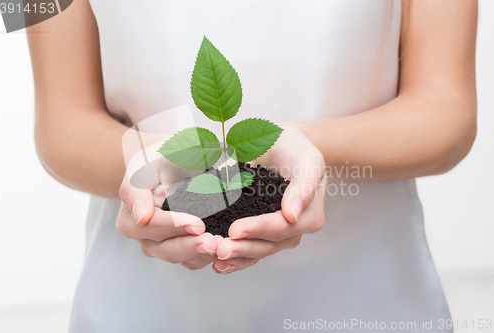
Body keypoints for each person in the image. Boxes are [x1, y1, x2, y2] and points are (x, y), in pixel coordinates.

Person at [27, 0, 477, 332]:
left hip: (370, 302)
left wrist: (308, 151)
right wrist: (154, 165)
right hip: (138, 310)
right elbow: (59, 126)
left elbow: (449, 114)